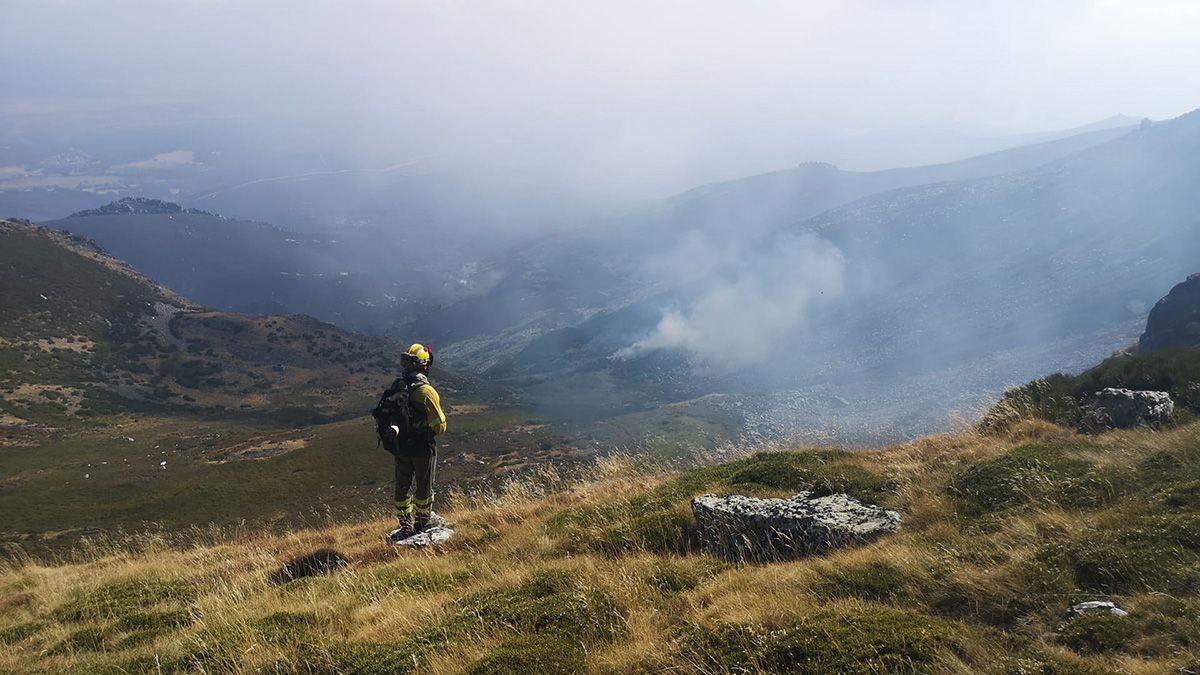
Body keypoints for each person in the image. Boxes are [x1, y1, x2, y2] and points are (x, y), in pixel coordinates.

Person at [380, 343, 447, 541]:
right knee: (424, 486)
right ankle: (423, 522)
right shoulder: (426, 392)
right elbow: (440, 427)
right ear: (424, 365)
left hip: (400, 447)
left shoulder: (397, 386)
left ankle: (405, 524)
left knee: (402, 485)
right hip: (422, 448)